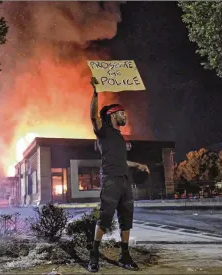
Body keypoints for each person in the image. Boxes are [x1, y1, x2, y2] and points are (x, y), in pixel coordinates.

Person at [88, 77, 149, 272]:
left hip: (125, 180)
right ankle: (94, 255)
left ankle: (124, 255)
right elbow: (93, 117)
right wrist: (96, 92)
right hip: (110, 180)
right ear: (114, 115)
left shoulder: (120, 138)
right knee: (105, 219)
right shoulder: (103, 132)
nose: (125, 116)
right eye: (123, 113)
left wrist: (137, 165)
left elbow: (121, 160)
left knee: (126, 220)